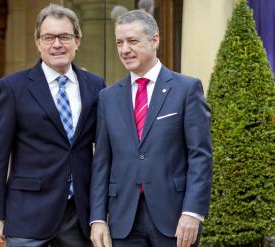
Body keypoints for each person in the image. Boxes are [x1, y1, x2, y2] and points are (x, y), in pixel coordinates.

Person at [0, 3, 105, 246]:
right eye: (48, 37)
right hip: (28, 213)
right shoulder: (13, 87)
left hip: (78, 216)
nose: (57, 44)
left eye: (64, 37)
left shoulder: (95, 86)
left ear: (77, 41)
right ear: (38, 43)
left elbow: (105, 151)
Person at [89, 9, 213, 247]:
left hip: (175, 219)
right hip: (123, 220)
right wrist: (97, 218)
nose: (124, 49)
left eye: (132, 41)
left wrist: (192, 212)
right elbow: (101, 162)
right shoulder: (108, 97)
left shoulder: (187, 89)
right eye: (119, 42)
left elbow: (200, 156)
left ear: (155, 40)